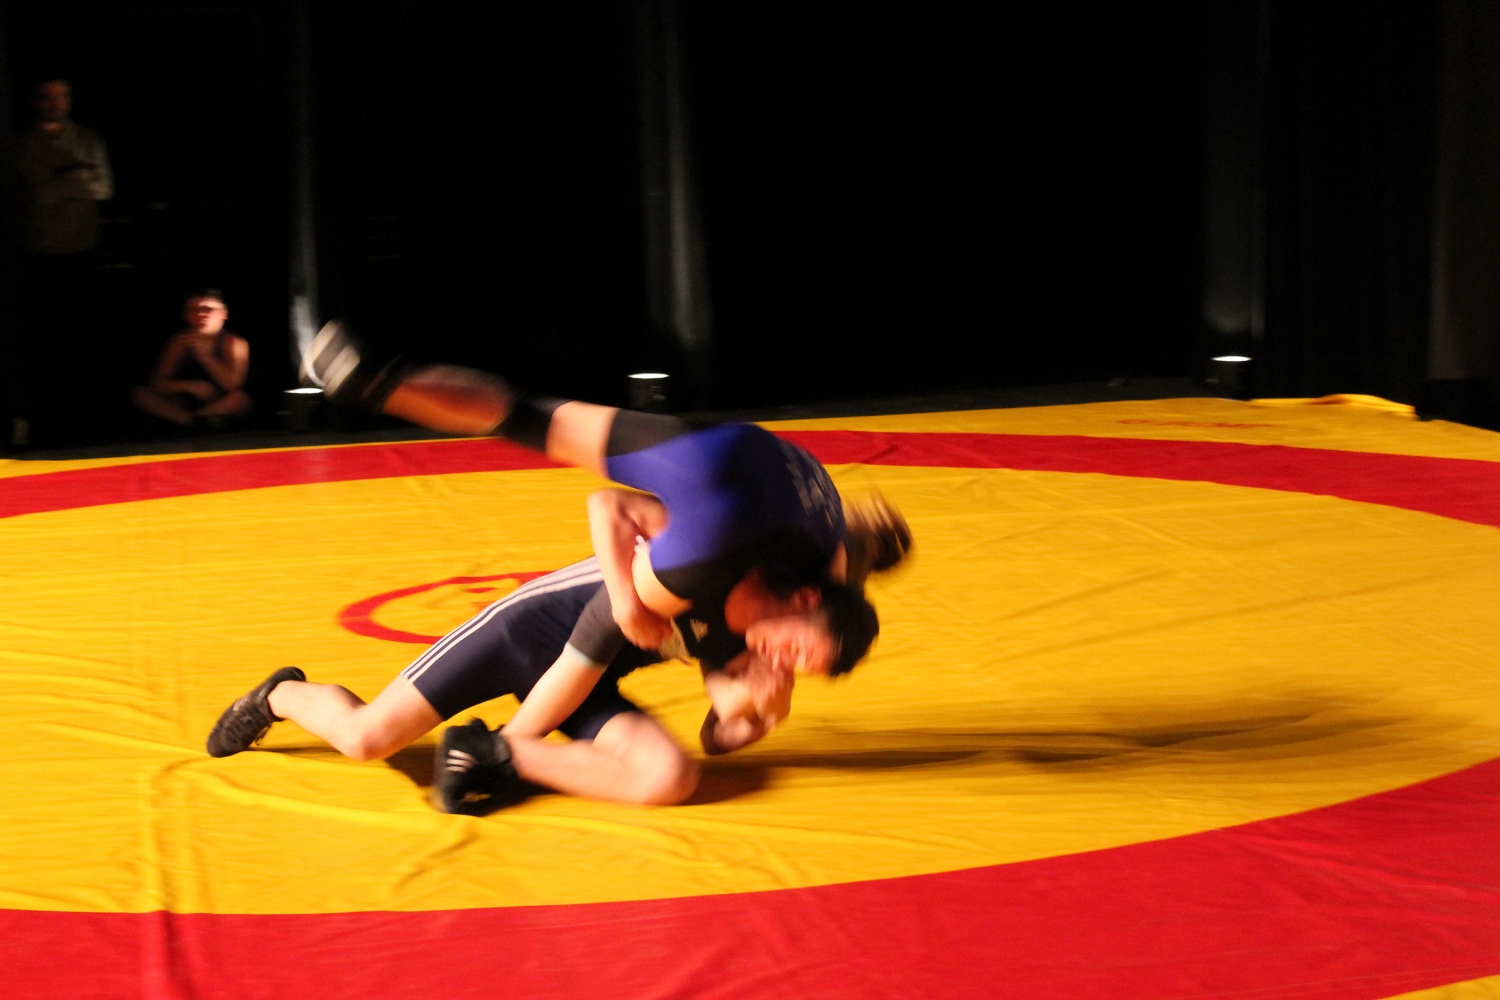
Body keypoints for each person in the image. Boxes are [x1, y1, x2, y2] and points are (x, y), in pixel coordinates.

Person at [206, 556, 876, 814]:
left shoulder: (753, 636)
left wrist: (764, 708)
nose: (782, 657)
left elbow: (717, 735)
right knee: (366, 739)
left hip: (587, 682)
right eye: (795, 647)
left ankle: (502, 753)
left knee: (671, 778)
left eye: (799, 664)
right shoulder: (712, 573)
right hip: (522, 637)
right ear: (802, 600)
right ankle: (279, 695)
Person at [15, 79, 112, 255]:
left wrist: (59, 182)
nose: (56, 104)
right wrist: (80, 177)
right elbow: (37, 196)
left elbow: (105, 189)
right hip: (40, 244)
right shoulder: (23, 144)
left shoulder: (88, 139)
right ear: (35, 100)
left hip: (85, 242)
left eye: (62, 96)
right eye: (47, 97)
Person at [131, 291, 251, 428]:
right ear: (186, 316)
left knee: (240, 399)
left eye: (208, 309)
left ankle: (200, 419)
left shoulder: (234, 343)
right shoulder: (180, 342)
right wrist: (190, 386)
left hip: (219, 402)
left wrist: (205, 356)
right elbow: (157, 382)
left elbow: (232, 385)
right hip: (183, 403)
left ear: (224, 314)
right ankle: (193, 421)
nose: (201, 314)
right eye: (194, 310)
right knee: (141, 394)